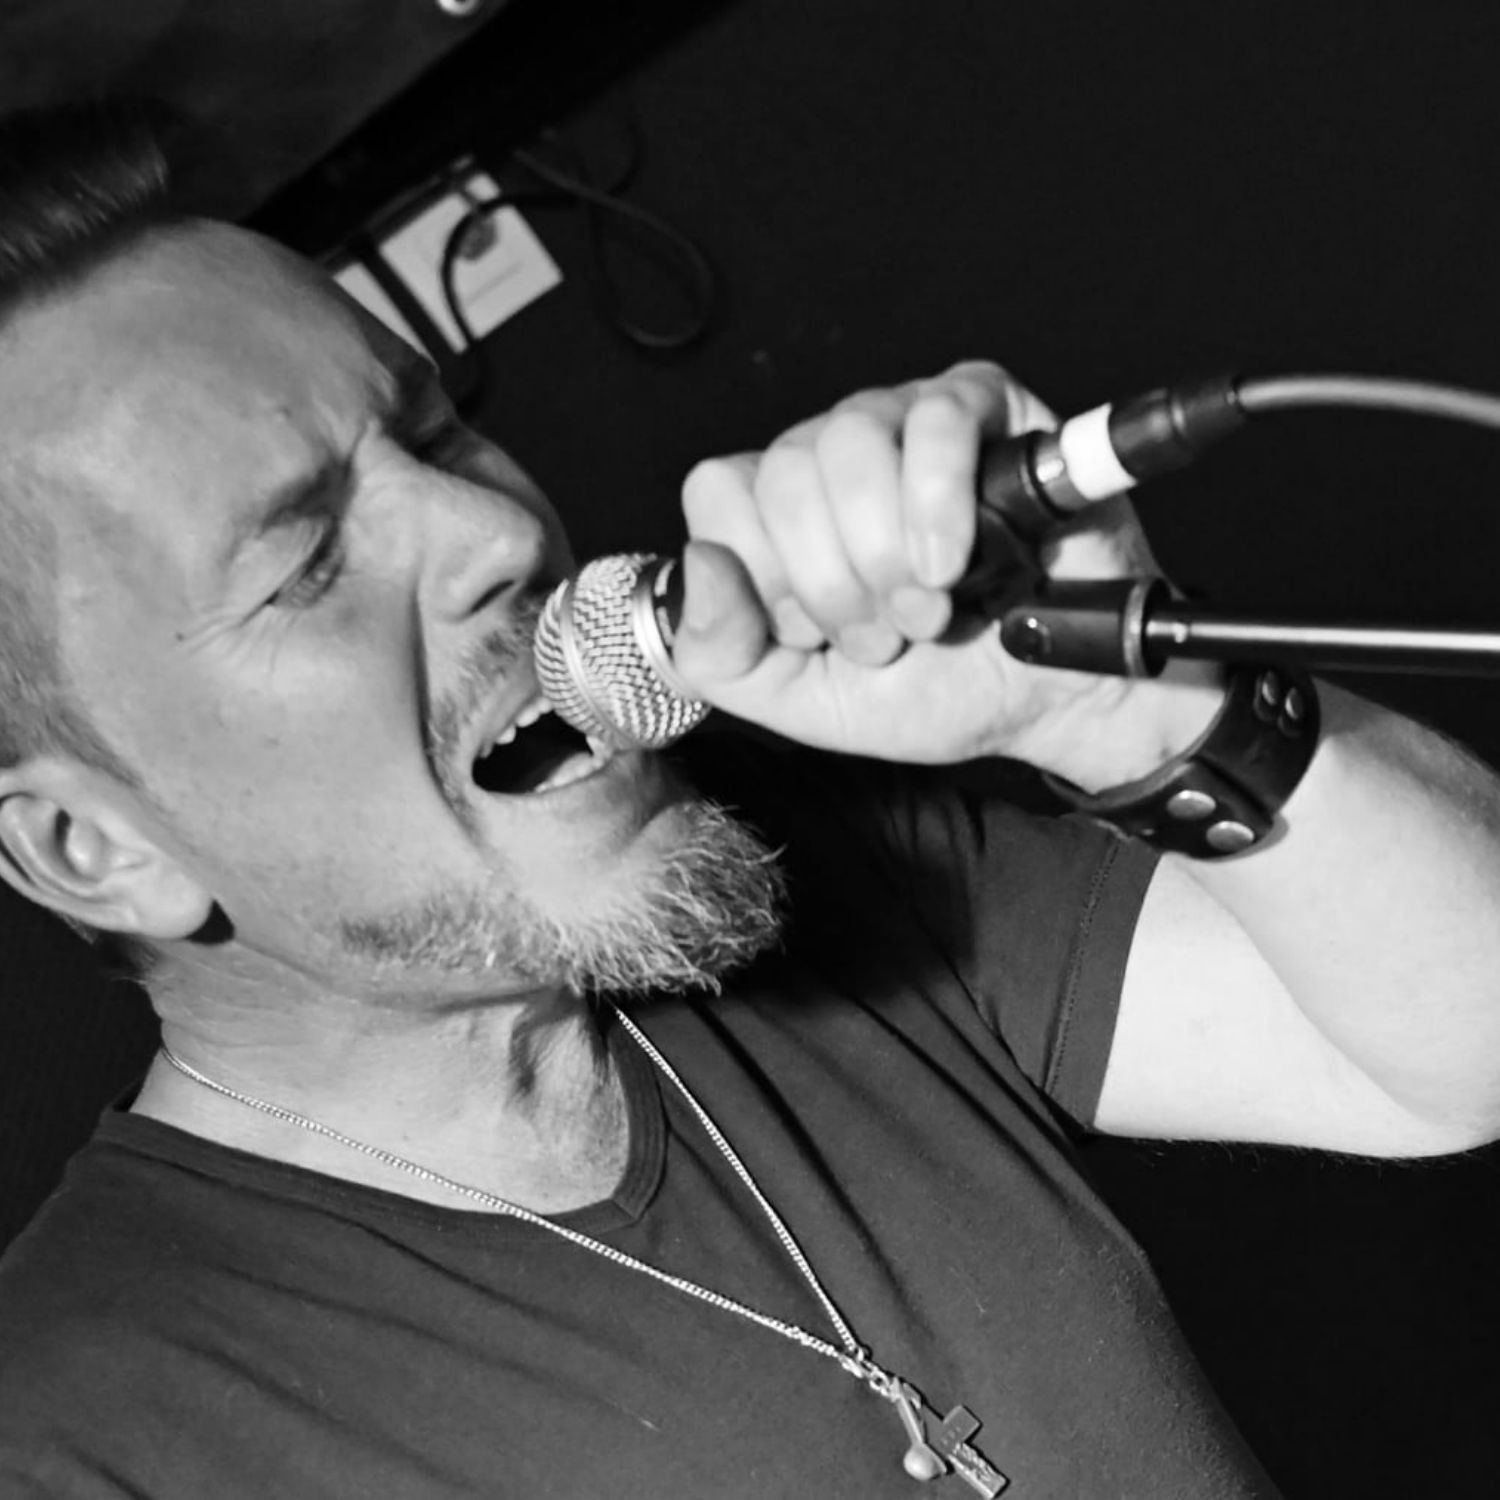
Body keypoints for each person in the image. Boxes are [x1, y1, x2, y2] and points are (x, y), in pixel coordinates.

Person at [2, 103, 1499, 1500]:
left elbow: (1461, 1049)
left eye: (438, 428)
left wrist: (1125, 709)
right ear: (96, 849)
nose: (495, 530)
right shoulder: (81, 1444)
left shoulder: (796, 866)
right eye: (305, 564)